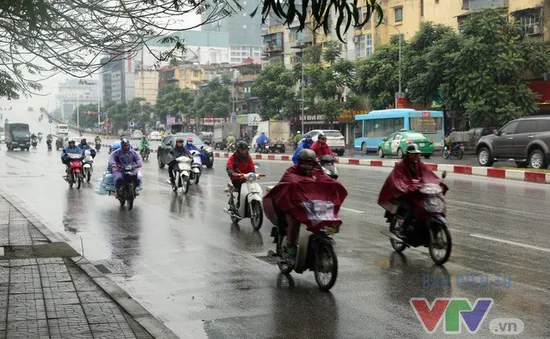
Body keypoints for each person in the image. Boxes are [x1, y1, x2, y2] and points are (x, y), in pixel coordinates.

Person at [264, 149, 347, 265]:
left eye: (310, 163)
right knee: (293, 224)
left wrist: (335, 185)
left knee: (326, 219)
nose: (307, 166)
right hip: (293, 206)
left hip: (310, 205)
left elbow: (325, 180)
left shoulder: (316, 172)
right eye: (304, 163)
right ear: (299, 162)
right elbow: (287, 183)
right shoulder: (291, 172)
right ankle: (291, 251)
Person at [378, 144, 448, 237]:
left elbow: (428, 175)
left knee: (431, 205)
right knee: (412, 209)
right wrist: (408, 187)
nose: (416, 156)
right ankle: (403, 229)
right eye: (414, 154)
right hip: (404, 194)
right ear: (408, 154)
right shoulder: (400, 166)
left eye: (417, 154)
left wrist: (438, 183)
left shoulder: (419, 164)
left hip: (418, 193)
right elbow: (399, 181)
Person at [225, 141, 255, 208]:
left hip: (246, 178)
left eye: (245, 149)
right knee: (242, 188)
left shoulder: (248, 158)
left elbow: (251, 167)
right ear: (238, 149)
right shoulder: (233, 157)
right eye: (242, 149)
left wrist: (252, 173)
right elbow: (229, 166)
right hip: (236, 179)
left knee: (253, 186)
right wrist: (232, 173)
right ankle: (239, 205)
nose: (243, 151)